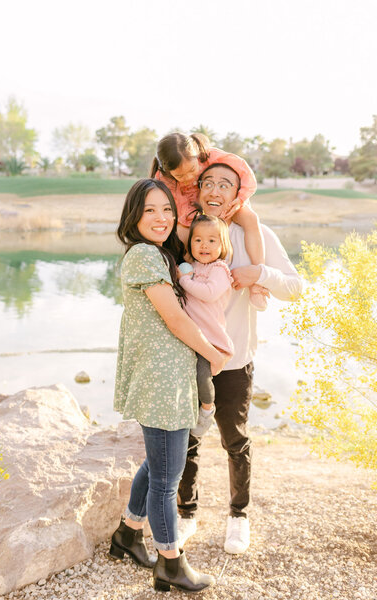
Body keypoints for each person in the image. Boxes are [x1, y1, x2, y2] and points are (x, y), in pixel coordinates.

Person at [177, 164, 303, 554]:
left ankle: (238, 517)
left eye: (225, 184)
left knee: (235, 440)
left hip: (235, 361)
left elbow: (296, 288)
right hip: (190, 359)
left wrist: (259, 274)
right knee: (186, 442)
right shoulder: (187, 233)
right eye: (208, 183)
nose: (215, 190)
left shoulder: (257, 235)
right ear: (197, 189)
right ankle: (186, 515)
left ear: (238, 193)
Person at [110, 178, 227, 593]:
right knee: (167, 480)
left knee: (159, 463)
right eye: (149, 211)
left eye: (166, 209)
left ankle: (127, 534)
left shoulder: (159, 255)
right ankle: (170, 562)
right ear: (134, 217)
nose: (161, 218)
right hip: (161, 382)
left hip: (170, 378)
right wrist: (212, 352)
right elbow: (175, 321)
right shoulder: (144, 256)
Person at [150, 132, 268, 310]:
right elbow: (171, 204)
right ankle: (184, 286)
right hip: (188, 210)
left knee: (250, 218)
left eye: (192, 170)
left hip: (222, 202)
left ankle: (258, 283)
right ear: (169, 173)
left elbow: (246, 172)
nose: (189, 178)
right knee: (182, 234)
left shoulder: (209, 155)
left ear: (197, 155)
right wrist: (188, 219)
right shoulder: (163, 178)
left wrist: (241, 199)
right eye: (181, 176)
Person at [178, 212, 234, 437]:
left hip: (209, 337)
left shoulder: (219, 269)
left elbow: (209, 294)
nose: (204, 245)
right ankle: (187, 410)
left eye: (212, 240)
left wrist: (184, 280)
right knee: (186, 376)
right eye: (198, 240)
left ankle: (207, 409)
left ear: (222, 245)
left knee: (202, 374)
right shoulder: (189, 267)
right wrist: (184, 275)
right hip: (188, 335)